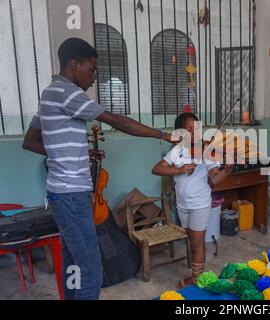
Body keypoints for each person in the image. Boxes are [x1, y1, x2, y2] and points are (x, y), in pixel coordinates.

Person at [22, 38, 174, 300]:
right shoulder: (68, 93)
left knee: (72, 259)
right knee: (91, 266)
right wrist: (163, 134)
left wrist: (74, 152)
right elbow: (116, 121)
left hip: (60, 194)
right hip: (72, 195)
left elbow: (31, 141)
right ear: (74, 64)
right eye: (91, 69)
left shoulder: (49, 93)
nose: (94, 77)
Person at [152, 113, 232, 288]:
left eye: (196, 129)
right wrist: (179, 170)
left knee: (197, 244)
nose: (194, 134)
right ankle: (197, 274)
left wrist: (226, 171)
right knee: (192, 241)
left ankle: (197, 279)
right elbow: (156, 169)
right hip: (183, 205)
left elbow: (215, 179)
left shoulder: (206, 152)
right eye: (189, 130)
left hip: (200, 205)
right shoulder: (177, 151)